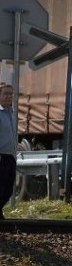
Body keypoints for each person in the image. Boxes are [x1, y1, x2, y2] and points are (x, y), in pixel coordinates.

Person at [0, 84, 16, 219]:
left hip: (9, 156)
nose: (9, 96)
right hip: (1, 156)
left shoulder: (10, 112)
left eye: (11, 94)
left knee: (9, 189)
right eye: (5, 94)